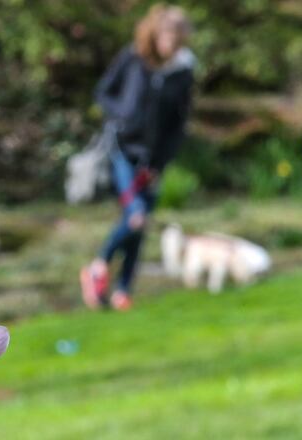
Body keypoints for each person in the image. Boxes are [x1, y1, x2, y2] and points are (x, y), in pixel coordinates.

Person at [80, 4, 195, 311]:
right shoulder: (133, 57)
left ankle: (124, 290)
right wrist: (123, 115)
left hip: (154, 160)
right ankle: (98, 266)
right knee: (136, 215)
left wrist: (159, 165)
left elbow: (178, 125)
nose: (169, 41)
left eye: (175, 36)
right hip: (123, 149)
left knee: (139, 225)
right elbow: (103, 92)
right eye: (165, 34)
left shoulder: (183, 71)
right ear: (154, 33)